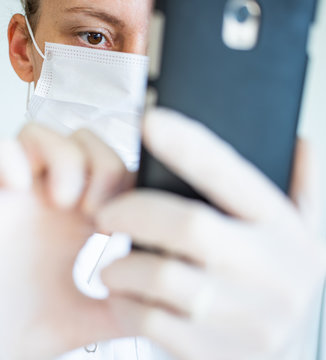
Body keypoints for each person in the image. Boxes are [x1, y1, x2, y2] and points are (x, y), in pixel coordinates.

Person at [2, 0, 326, 359]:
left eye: (169, 44)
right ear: (23, 50)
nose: (141, 78)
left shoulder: (271, 278)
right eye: (94, 37)